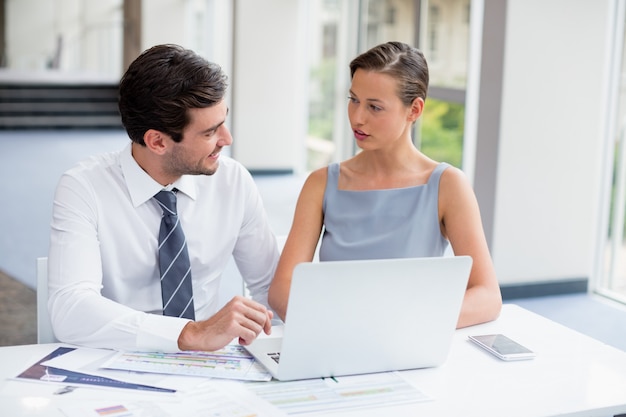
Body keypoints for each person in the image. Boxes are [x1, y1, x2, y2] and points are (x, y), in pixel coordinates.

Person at [47, 44, 278, 352]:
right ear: (157, 141)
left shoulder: (233, 181)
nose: (227, 139)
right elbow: (70, 310)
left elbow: (270, 288)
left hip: (211, 367)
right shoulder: (84, 188)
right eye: (210, 132)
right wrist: (190, 334)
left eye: (223, 121)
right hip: (119, 359)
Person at [268, 41, 502, 328]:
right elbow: (282, 290)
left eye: (375, 107)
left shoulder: (447, 185)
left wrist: (402, 322)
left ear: (414, 110)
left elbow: (488, 296)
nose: (357, 117)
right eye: (353, 100)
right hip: (336, 339)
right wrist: (335, 325)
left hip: (410, 344)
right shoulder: (321, 184)